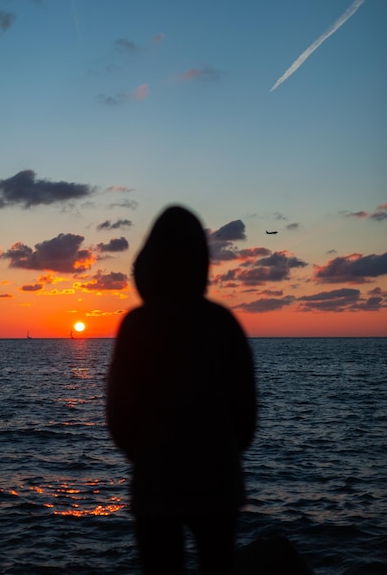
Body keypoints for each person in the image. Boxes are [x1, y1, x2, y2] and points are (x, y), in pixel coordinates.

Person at [106, 205, 257, 575]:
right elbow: (246, 414)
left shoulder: (137, 326)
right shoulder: (222, 323)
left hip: (155, 482)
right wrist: (218, 450)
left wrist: (146, 452)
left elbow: (118, 415)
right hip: (218, 482)